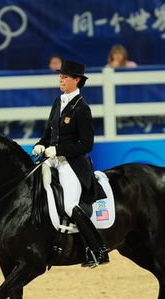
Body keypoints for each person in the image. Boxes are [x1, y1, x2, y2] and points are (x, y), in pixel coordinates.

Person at [32, 60, 109, 268]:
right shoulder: (58, 102)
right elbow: (49, 133)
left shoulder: (82, 108)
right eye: (60, 76)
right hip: (53, 160)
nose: (61, 80)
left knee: (69, 205)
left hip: (72, 164)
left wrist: (59, 150)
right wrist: (40, 144)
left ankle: (98, 249)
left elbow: (86, 144)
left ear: (76, 80)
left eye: (65, 77)